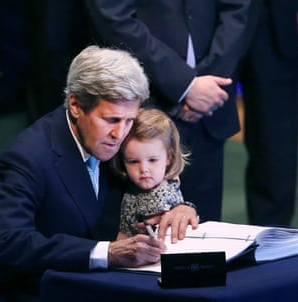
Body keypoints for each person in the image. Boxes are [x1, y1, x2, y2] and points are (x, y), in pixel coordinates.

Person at [0, 46, 199, 302]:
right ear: (75, 105)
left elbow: (150, 186)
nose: (120, 133)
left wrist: (181, 207)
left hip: (109, 295)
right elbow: (8, 243)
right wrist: (105, 253)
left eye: (128, 121)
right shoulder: (29, 156)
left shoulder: (116, 136)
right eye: (111, 120)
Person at [84, 0, 250, 223]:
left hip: (210, 103)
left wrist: (205, 87)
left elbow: (237, 8)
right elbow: (114, 16)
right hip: (141, 102)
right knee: (140, 239)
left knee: (205, 236)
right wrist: (185, 85)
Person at [235, 0, 298, 227]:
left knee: (275, 141)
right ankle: (189, 235)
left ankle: (271, 243)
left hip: (278, 15)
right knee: (195, 123)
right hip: (203, 15)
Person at [112, 108, 191, 239]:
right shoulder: (131, 190)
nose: (144, 169)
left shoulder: (161, 198)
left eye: (152, 160)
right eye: (133, 161)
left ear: (169, 157)